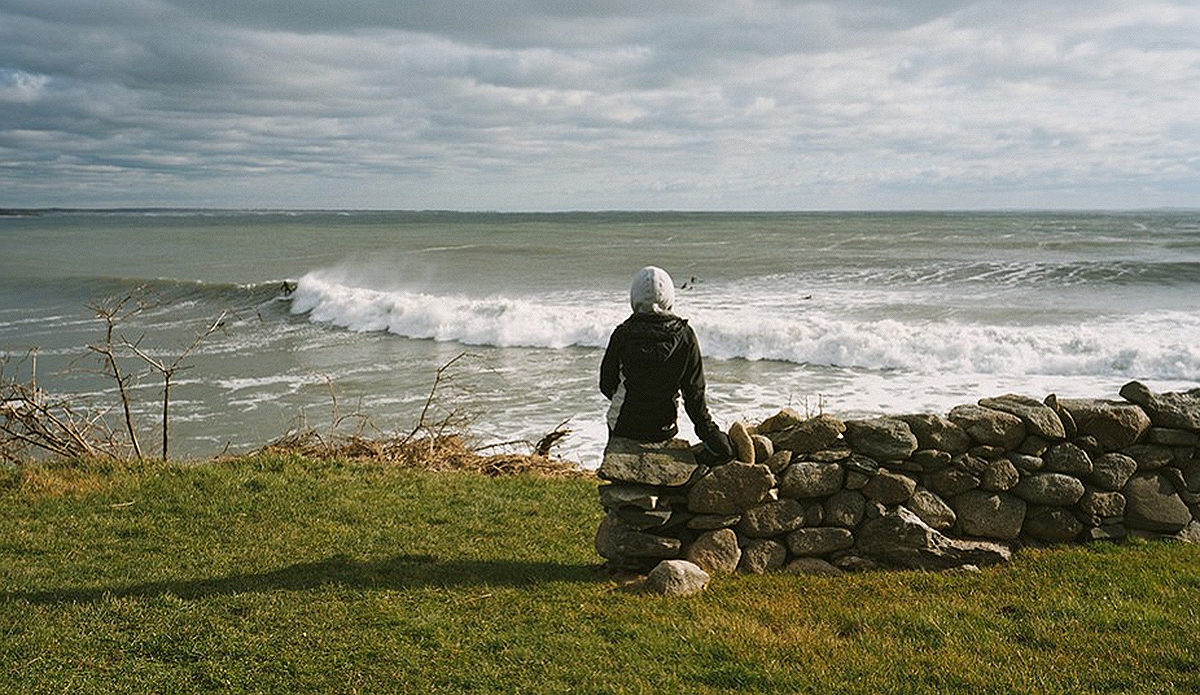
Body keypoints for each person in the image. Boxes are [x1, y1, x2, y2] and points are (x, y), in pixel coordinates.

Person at [599, 266, 733, 463]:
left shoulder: (623, 334)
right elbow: (694, 395)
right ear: (670, 296)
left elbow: (606, 385)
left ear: (634, 297)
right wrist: (710, 434)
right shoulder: (685, 335)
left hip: (623, 426)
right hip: (664, 429)